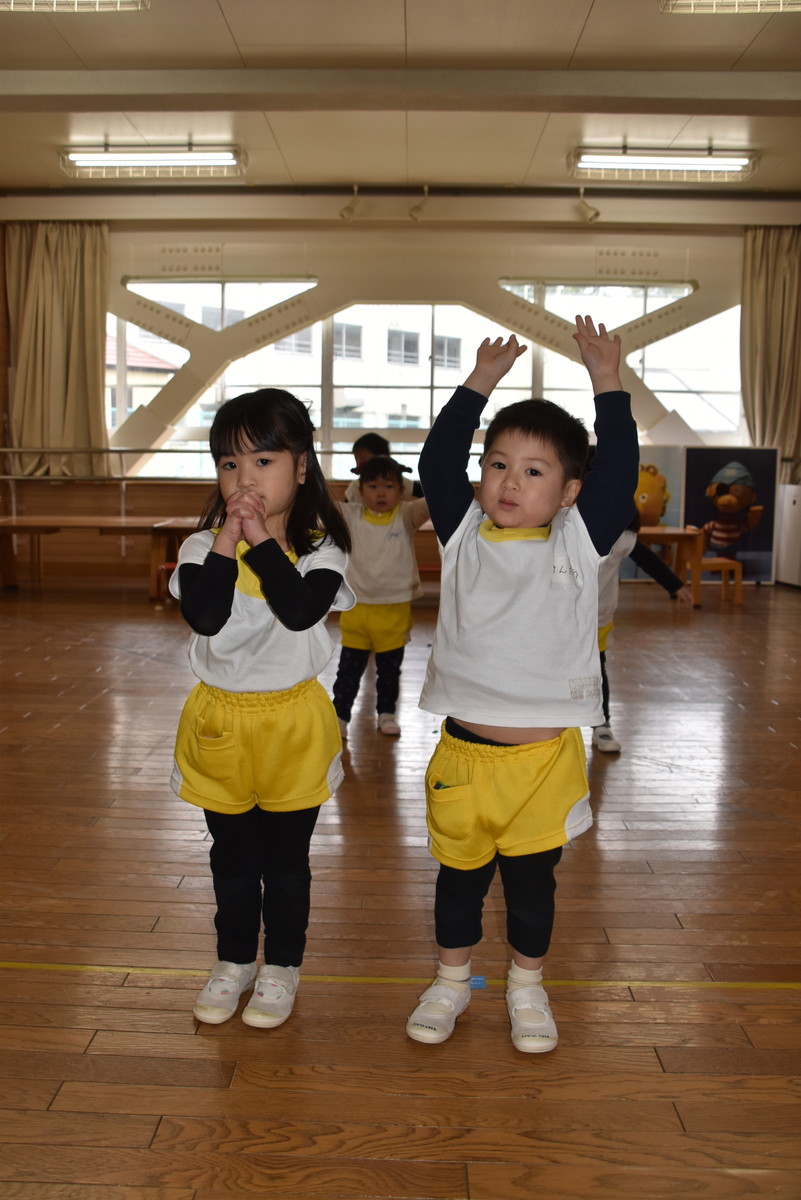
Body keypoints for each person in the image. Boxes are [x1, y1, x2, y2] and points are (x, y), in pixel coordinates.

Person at [406, 316, 639, 1053]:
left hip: (543, 764)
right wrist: (478, 384)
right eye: (498, 464)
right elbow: (437, 459)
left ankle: (526, 987)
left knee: (533, 890)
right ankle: (451, 982)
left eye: (534, 471)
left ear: (569, 491)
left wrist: (608, 382)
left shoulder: (580, 539)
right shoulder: (461, 532)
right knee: (457, 885)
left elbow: (620, 468)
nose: (509, 481)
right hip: (464, 758)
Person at [168, 388, 354, 1029]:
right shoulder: (202, 548)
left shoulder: (322, 549)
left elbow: (300, 611)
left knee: (286, 862)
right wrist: (230, 538)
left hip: (293, 726)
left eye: (263, 462)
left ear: (301, 467)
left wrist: (262, 541)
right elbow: (205, 616)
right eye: (229, 464)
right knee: (232, 858)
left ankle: (282, 966)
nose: (243, 479)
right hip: (220, 724)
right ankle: (233, 961)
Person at [333, 455, 429, 738]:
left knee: (389, 672)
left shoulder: (406, 515)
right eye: (373, 486)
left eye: (389, 486)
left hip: (393, 613)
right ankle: (340, 716)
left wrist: (413, 487)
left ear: (401, 490)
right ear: (360, 490)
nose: (381, 493)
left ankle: (386, 714)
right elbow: (319, 505)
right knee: (348, 672)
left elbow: (433, 498)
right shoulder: (350, 515)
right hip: (357, 610)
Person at [593, 516, 693, 753]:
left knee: (597, 670)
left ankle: (601, 724)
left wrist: (675, 585)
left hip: (597, 616)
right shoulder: (564, 528)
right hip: (561, 618)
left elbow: (647, 559)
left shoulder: (620, 538)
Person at [344, 432, 423, 502]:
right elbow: (342, 510)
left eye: (389, 487)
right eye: (356, 459)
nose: (359, 464)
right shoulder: (355, 486)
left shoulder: (401, 482)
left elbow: (424, 493)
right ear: (361, 490)